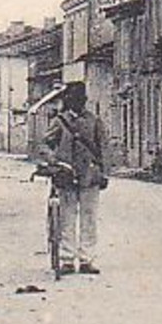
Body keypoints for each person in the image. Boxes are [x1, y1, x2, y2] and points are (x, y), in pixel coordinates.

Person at [39, 82, 107, 274]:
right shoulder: (59, 122)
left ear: (84, 101)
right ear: (68, 101)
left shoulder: (94, 121)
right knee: (66, 218)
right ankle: (67, 259)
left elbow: (103, 149)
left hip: (90, 176)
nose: (77, 103)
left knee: (89, 218)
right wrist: (54, 161)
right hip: (66, 174)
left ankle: (87, 259)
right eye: (73, 99)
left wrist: (104, 173)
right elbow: (44, 145)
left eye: (80, 99)